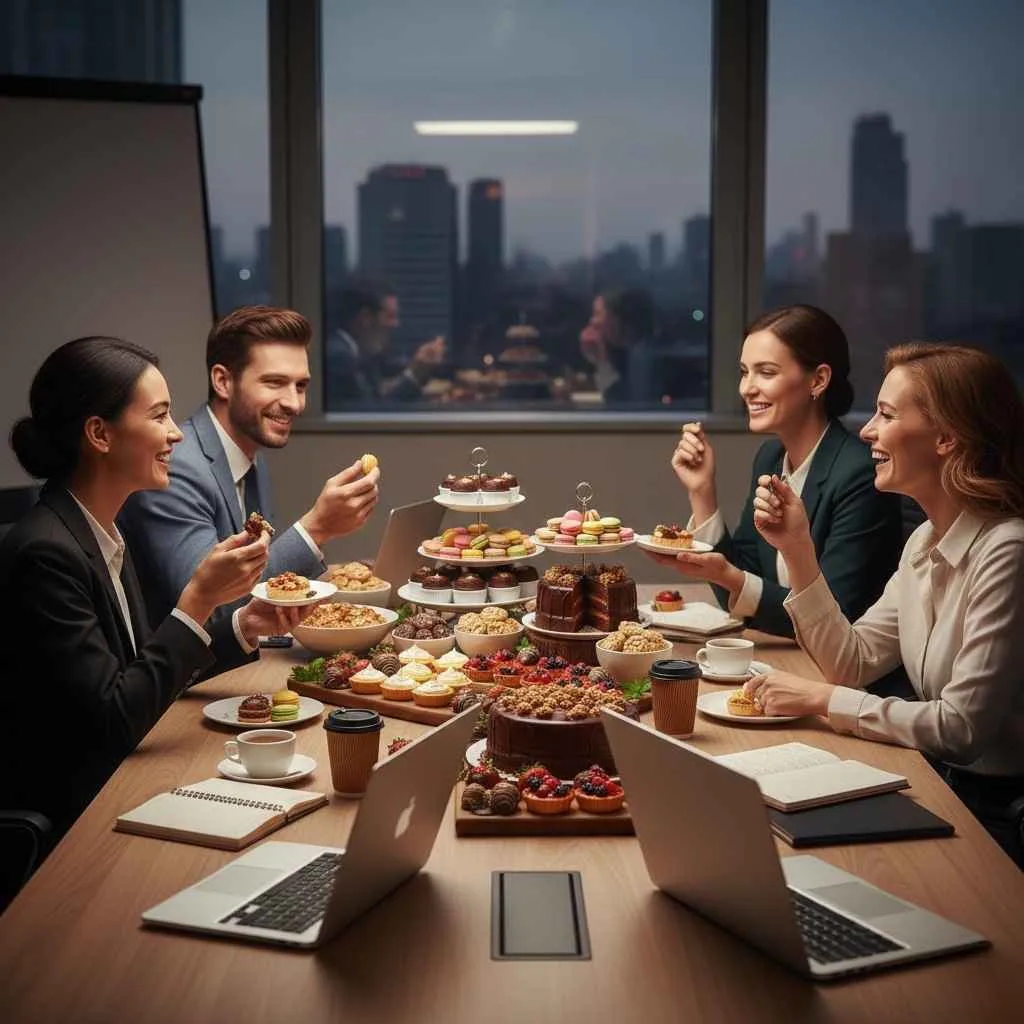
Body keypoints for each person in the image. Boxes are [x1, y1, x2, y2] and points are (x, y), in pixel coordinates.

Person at [746, 343, 1024, 865]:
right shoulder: (924, 541)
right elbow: (851, 664)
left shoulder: (1009, 550)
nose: (868, 430)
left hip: (997, 820)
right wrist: (798, 550)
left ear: (948, 437)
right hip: (939, 784)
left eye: (887, 414)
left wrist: (819, 700)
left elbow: (960, 731)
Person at [0, 337, 270, 841]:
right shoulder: (46, 553)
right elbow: (116, 720)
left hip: (125, 783)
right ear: (100, 434)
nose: (176, 435)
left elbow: (141, 670)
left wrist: (239, 625)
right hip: (79, 818)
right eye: (159, 416)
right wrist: (198, 599)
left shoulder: (101, 529)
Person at [119, 306, 380, 672]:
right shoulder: (178, 466)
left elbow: (253, 581)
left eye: (300, 385)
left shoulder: (246, 453)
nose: (294, 403)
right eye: (274, 383)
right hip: (179, 691)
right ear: (223, 381)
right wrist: (317, 527)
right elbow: (210, 611)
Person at [661, 304, 903, 637]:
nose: (747, 388)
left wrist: (730, 577)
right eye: (745, 372)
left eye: (766, 372)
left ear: (818, 380)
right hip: (788, 657)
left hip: (845, 676)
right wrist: (701, 491)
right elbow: (742, 593)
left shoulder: (859, 474)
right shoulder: (771, 457)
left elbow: (833, 619)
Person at [326, 281, 445, 407]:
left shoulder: (354, 353)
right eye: (390, 316)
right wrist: (415, 376)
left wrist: (414, 370)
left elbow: (376, 398)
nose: (395, 324)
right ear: (365, 318)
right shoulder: (340, 359)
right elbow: (372, 417)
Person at [579, 286, 657, 404]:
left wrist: (602, 362)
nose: (593, 322)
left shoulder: (646, 361)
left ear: (617, 319)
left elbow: (618, 402)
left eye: (598, 314)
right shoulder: (622, 353)